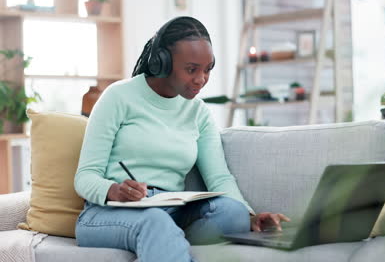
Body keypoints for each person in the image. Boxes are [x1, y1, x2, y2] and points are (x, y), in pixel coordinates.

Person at [74, 16, 290, 262]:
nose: (201, 79)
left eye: (207, 69)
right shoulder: (118, 97)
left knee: (232, 213)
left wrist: (250, 216)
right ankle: (163, 239)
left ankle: (165, 243)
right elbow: (85, 176)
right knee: (155, 221)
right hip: (106, 214)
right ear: (162, 62)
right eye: (191, 69)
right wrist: (114, 190)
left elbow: (219, 178)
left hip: (170, 210)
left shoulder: (198, 112)